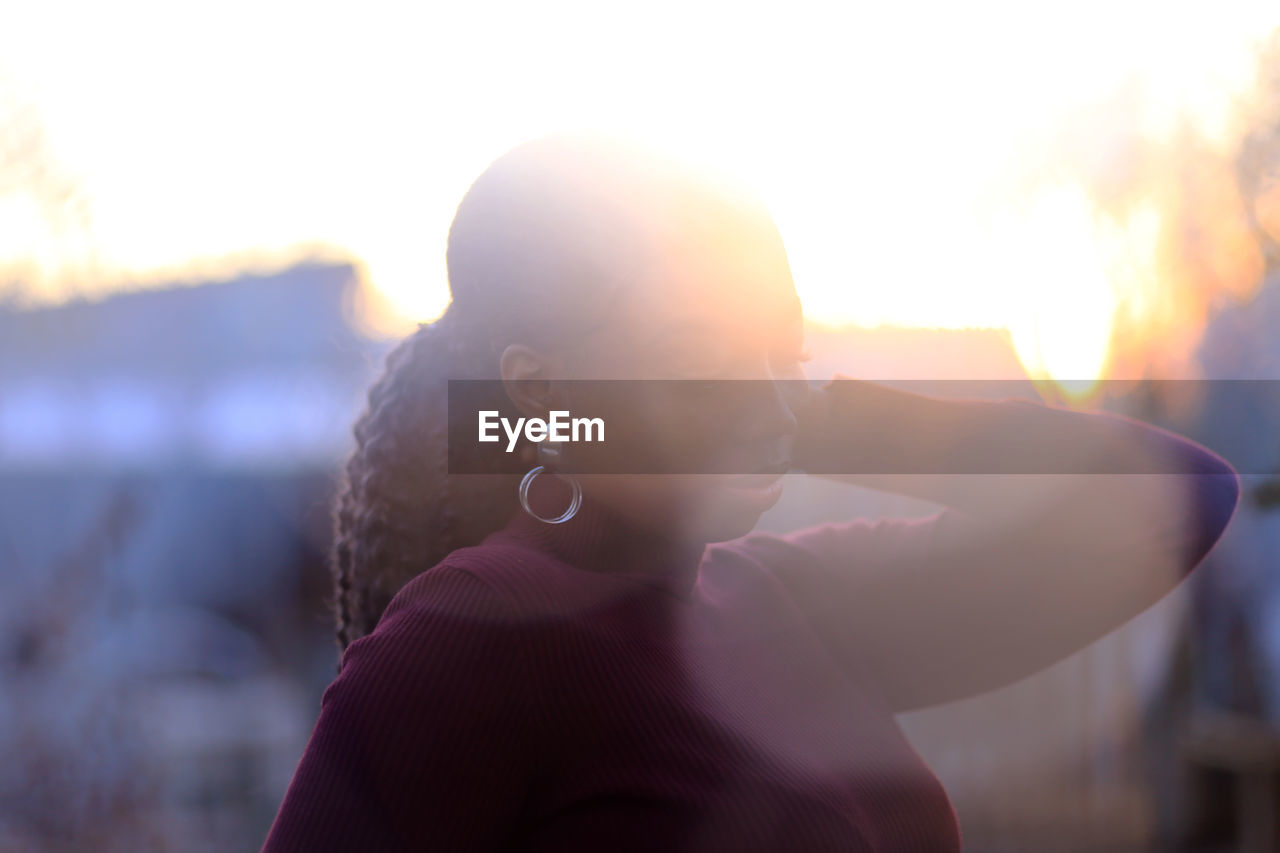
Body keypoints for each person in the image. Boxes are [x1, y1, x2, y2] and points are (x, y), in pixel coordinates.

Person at [262, 132, 1240, 852]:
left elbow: (1172, 500)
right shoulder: (471, 633)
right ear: (542, 389)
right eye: (703, 361)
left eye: (786, 352)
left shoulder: (792, 599)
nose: (766, 396)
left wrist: (818, 415)